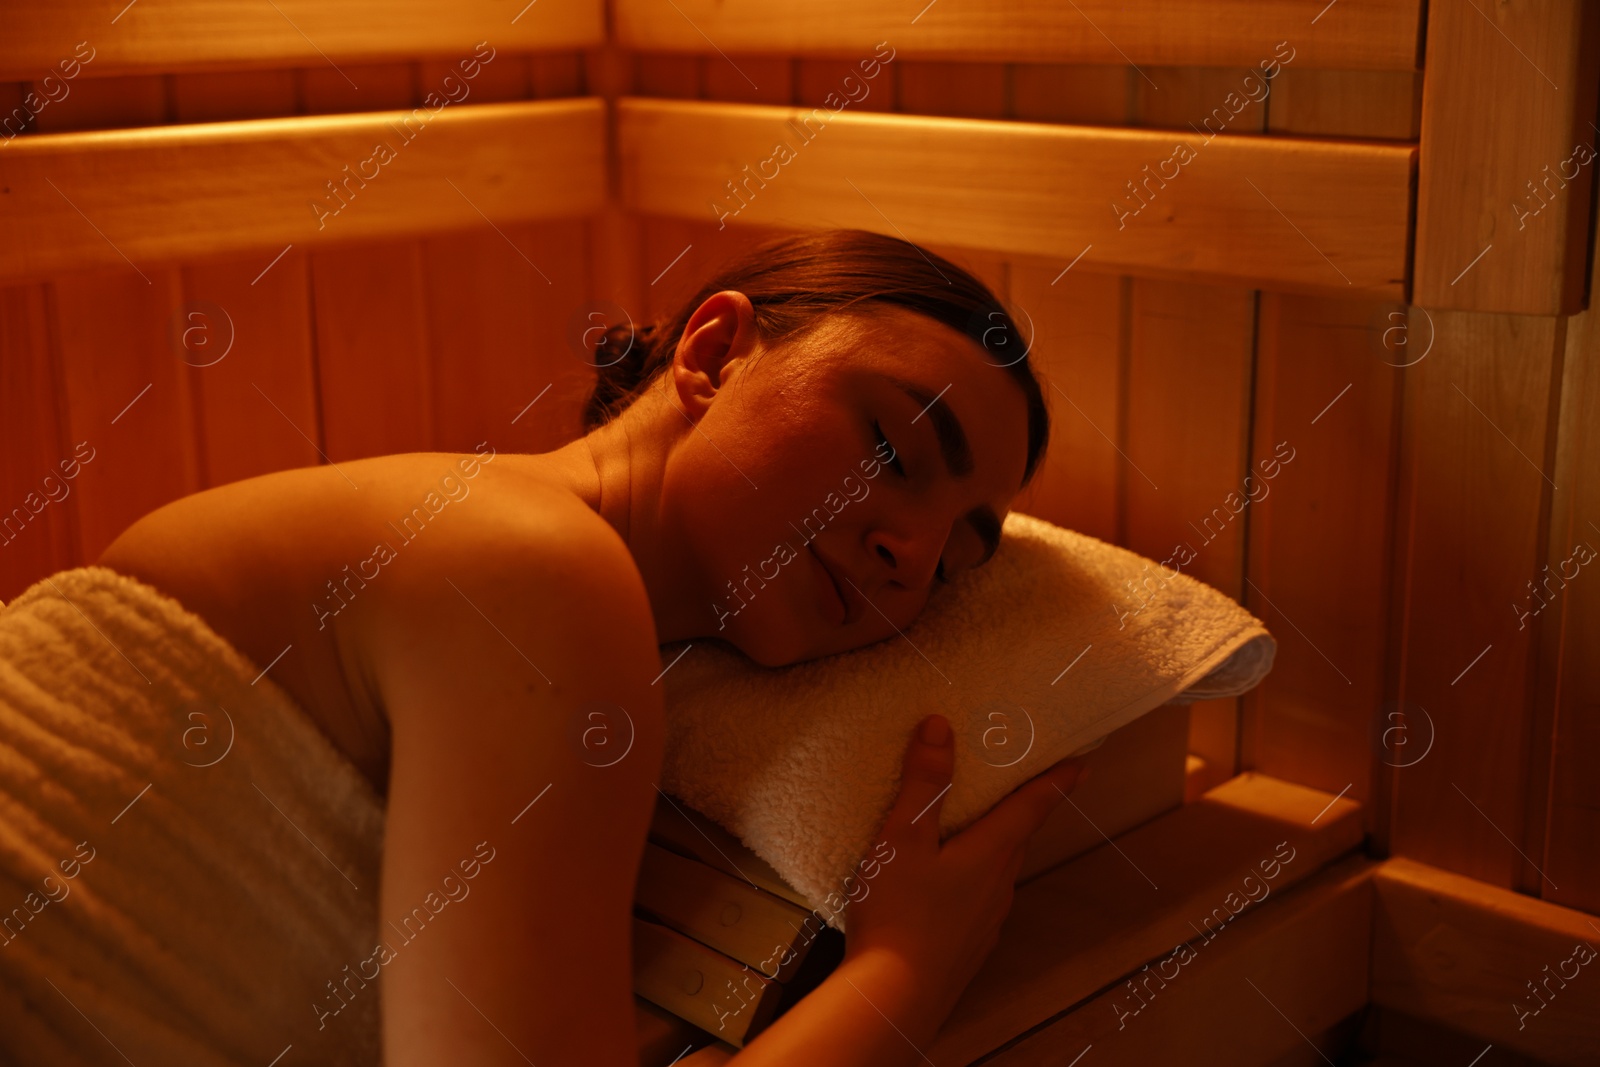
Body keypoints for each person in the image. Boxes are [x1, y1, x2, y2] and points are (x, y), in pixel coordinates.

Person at [92, 227, 1087, 1064]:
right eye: (893, 448)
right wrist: (901, 973)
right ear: (712, 352)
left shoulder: (540, 586)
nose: (908, 554)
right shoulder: (529, 569)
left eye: (956, 559)